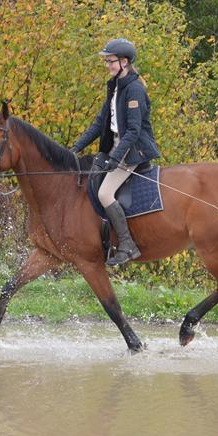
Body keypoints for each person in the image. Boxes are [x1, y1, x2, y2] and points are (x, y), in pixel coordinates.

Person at [71, 38, 161, 266]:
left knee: (104, 194)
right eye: (107, 61)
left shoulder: (135, 89)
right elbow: (100, 122)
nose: (108, 65)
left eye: (110, 61)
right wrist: (75, 148)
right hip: (116, 147)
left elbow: (133, 131)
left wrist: (114, 158)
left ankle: (127, 245)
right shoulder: (115, 85)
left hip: (133, 150)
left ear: (124, 62)